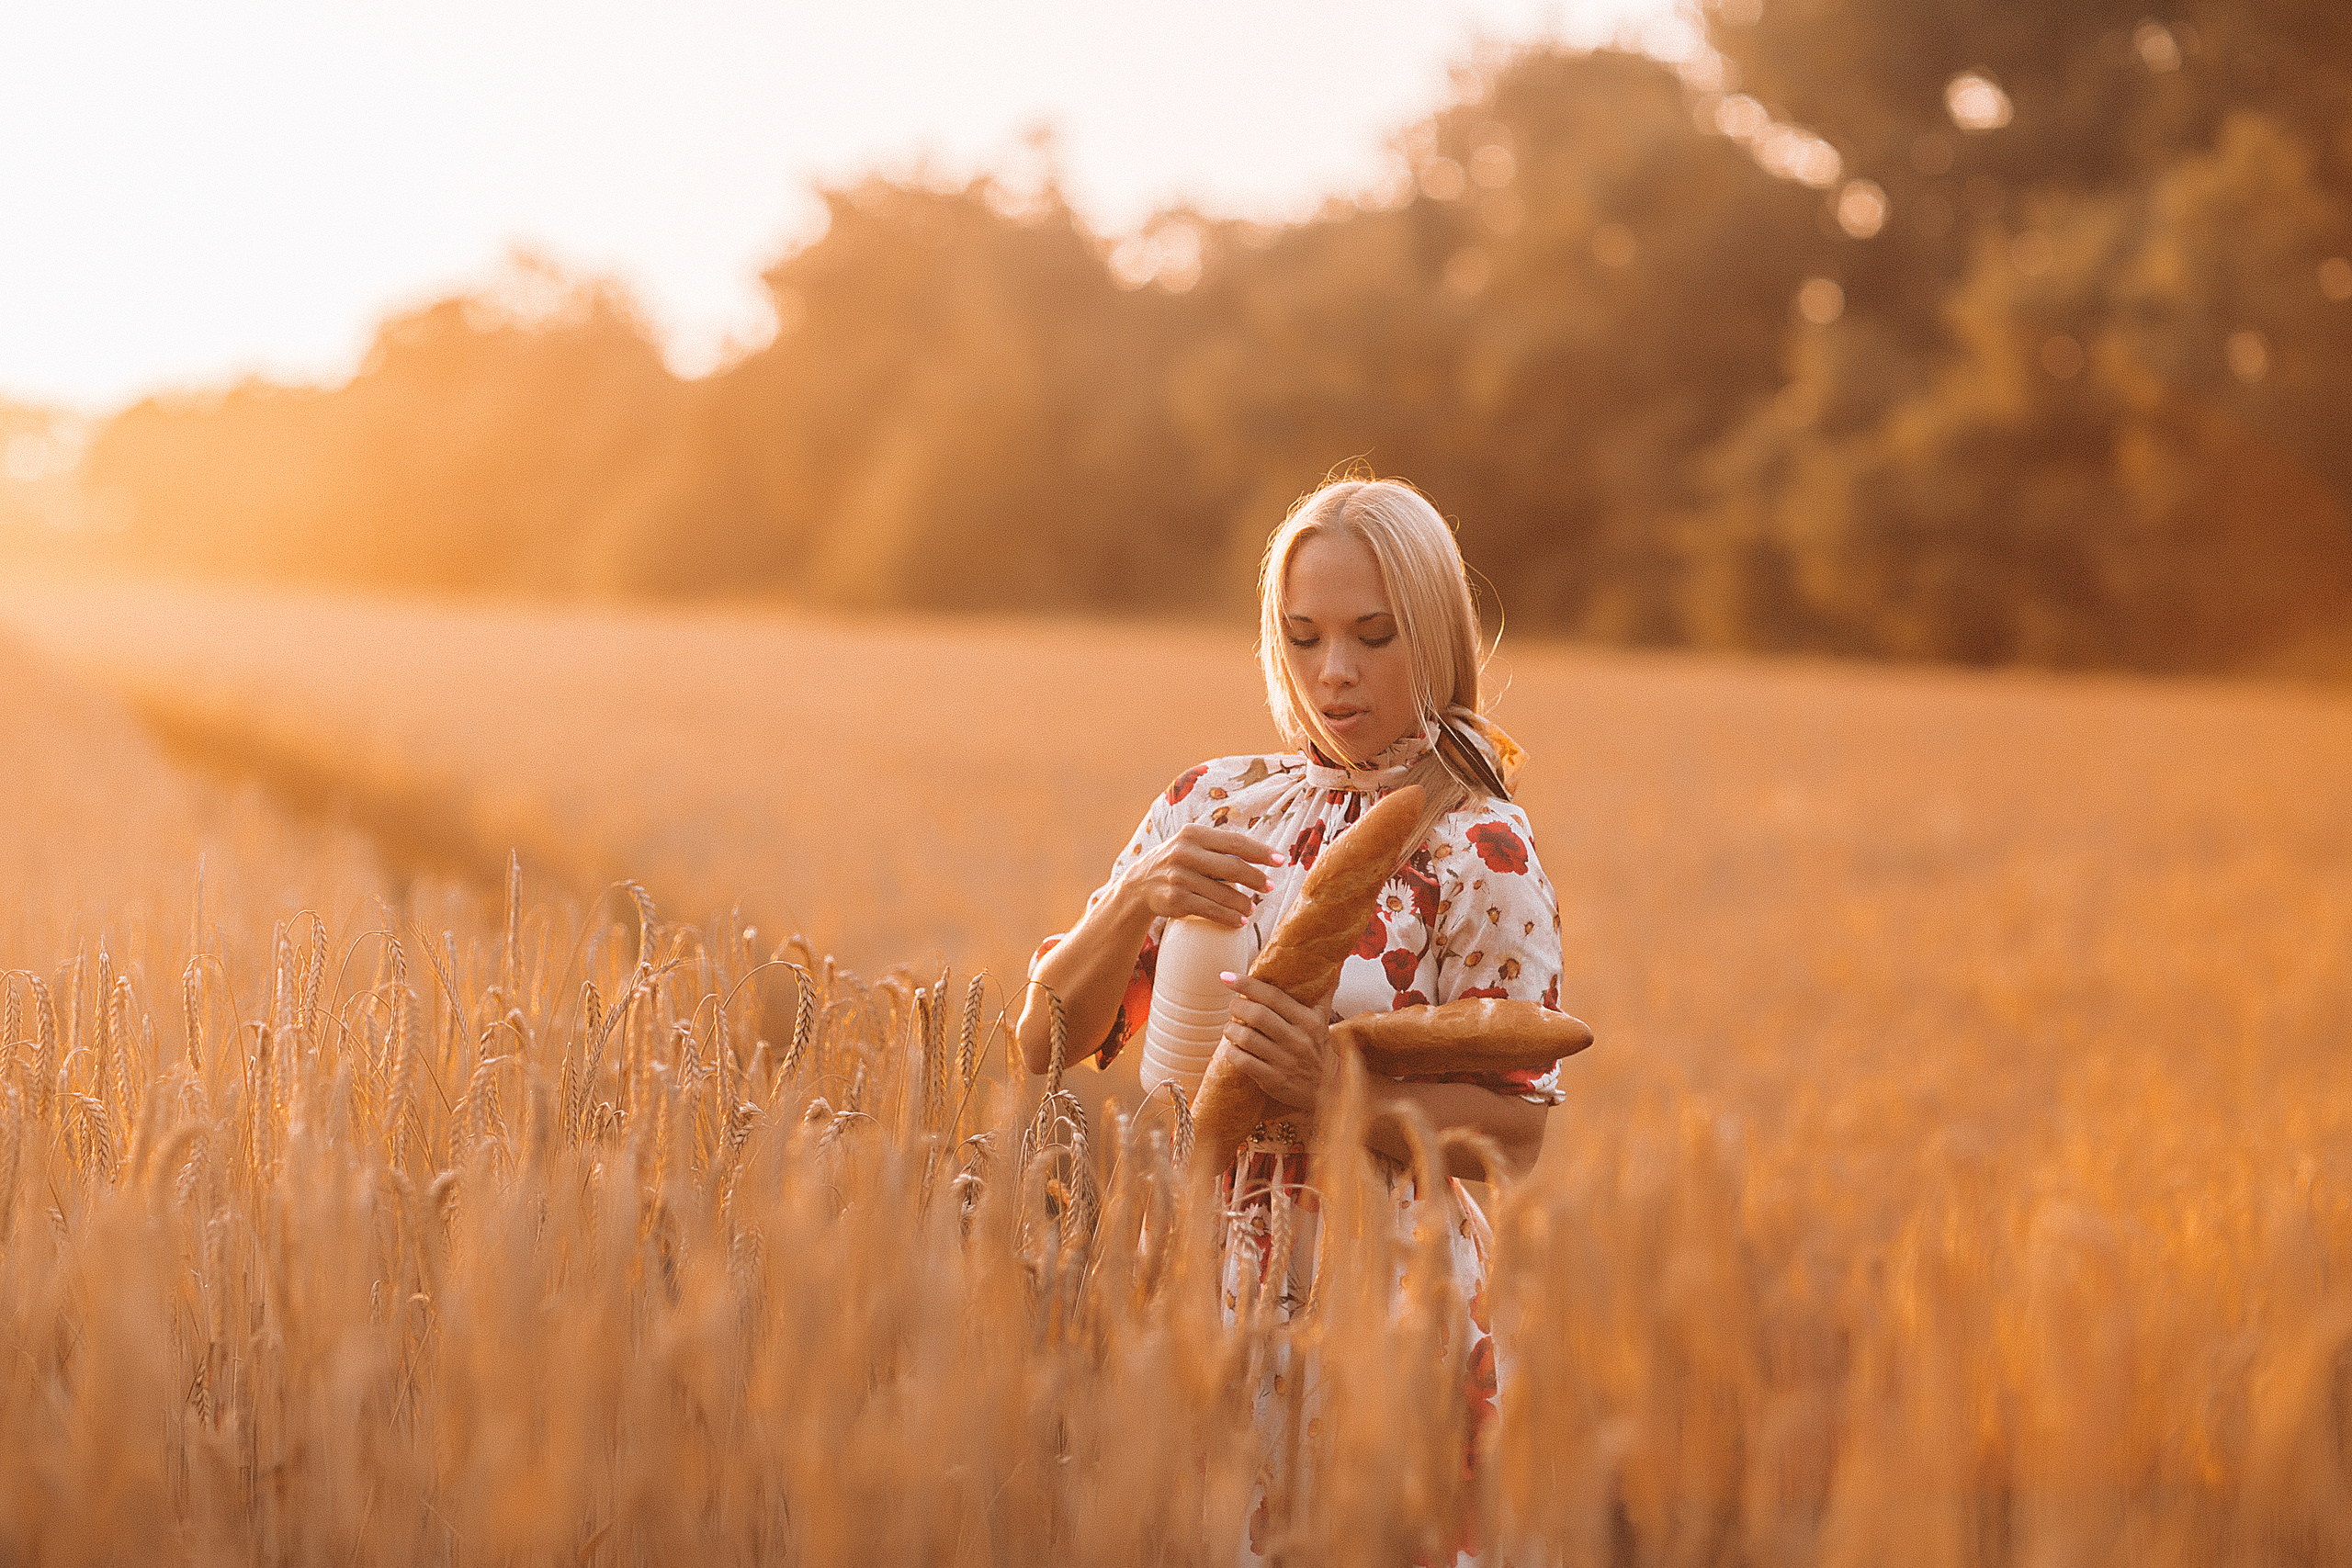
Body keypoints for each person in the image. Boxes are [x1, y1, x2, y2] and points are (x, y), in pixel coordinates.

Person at [1018, 475, 1570, 1561]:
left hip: (1380, 1288)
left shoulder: (1482, 846)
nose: (1336, 673)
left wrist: (1341, 1092)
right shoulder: (1210, 804)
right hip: (1183, 1260)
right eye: (1304, 635)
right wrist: (1137, 896)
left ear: (1438, 634)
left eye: (1374, 635)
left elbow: (1518, 1135)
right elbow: (1041, 1045)